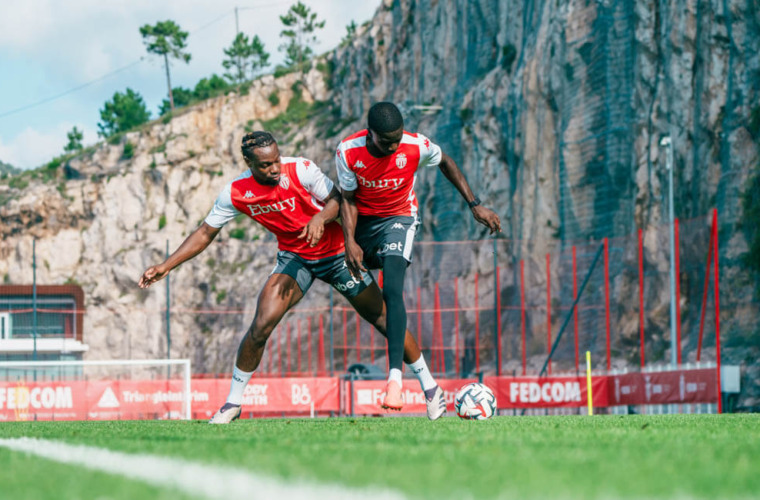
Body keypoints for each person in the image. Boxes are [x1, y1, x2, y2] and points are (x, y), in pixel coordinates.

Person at [138, 131, 446, 423]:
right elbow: (205, 232)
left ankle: (430, 388)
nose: (274, 168)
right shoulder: (236, 192)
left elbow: (339, 199)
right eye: (265, 165)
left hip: (337, 253)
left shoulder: (301, 169)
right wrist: (167, 265)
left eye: (276, 160)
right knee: (260, 325)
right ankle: (233, 402)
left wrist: (320, 218)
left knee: (383, 318)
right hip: (295, 258)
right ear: (249, 164)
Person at [336, 102, 502, 410]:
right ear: (370, 133)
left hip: (400, 219)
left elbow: (446, 162)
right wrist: (349, 241)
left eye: (397, 138)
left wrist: (474, 203)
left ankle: (395, 382)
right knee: (371, 306)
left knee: (393, 289)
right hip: (365, 225)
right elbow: (347, 199)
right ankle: (430, 387)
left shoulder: (415, 145)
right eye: (386, 141)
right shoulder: (347, 151)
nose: (394, 145)